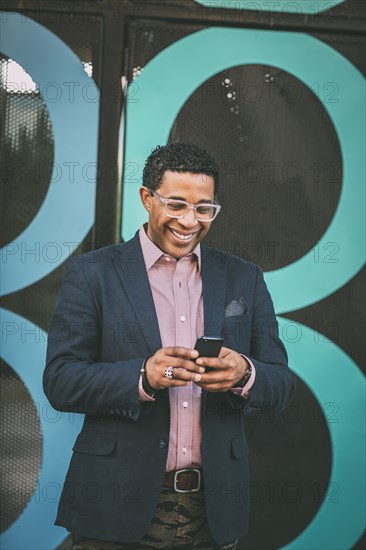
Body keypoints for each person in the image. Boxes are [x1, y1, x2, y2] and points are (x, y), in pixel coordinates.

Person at [44, 143, 295, 550]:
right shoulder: (92, 274)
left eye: (203, 209)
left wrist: (245, 374)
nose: (189, 221)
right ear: (147, 199)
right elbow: (60, 381)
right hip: (113, 505)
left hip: (213, 513)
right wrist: (142, 376)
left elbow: (282, 385)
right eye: (176, 204)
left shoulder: (243, 277)